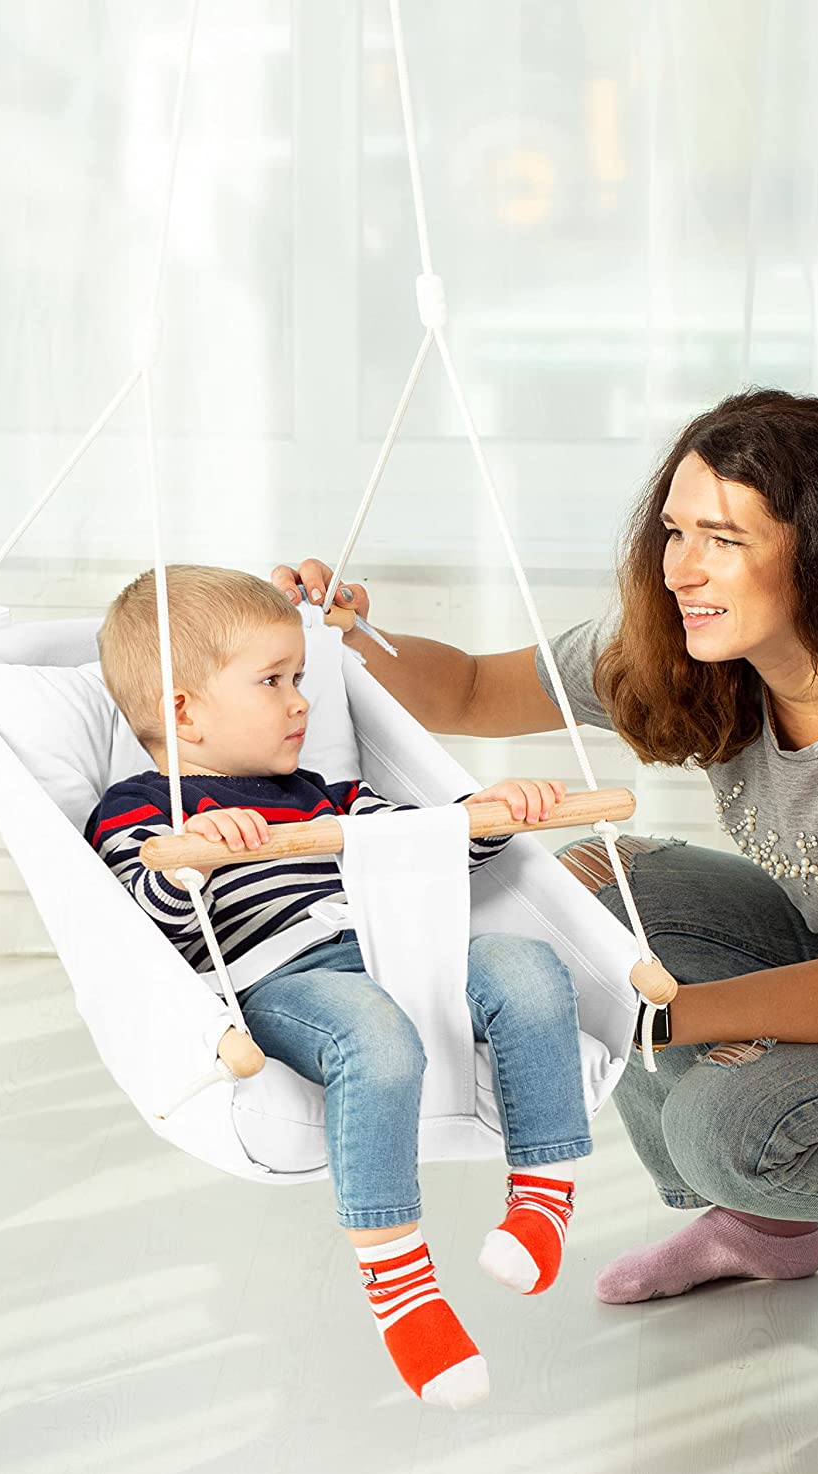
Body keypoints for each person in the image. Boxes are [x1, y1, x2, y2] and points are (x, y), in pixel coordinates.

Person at [272, 388, 818, 1328]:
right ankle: (762, 1230)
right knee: (596, 888)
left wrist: (645, 1018)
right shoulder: (687, 650)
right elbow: (468, 689)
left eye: (724, 540)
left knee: (720, 1123)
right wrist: (343, 638)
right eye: (675, 531)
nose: (681, 571)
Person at [84, 564, 593, 1408]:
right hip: (278, 981)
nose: (301, 703)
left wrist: (492, 811)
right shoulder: (139, 809)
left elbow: (429, 845)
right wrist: (199, 854)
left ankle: (543, 1195)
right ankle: (404, 1290)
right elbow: (145, 924)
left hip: (397, 951)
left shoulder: (322, 795)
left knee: (529, 968)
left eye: (300, 679)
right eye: (273, 682)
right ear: (183, 712)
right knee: (375, 1039)